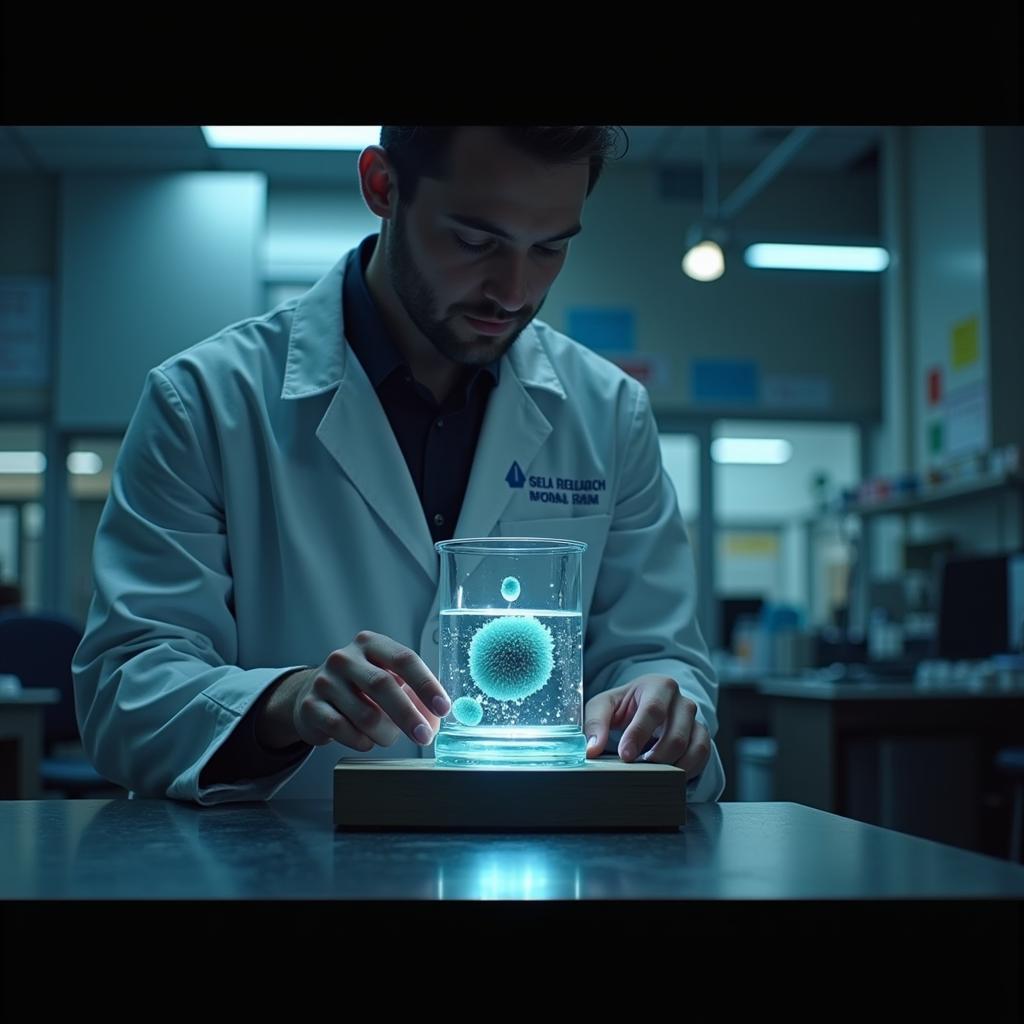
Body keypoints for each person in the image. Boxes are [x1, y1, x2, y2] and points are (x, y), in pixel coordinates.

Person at [73, 126, 725, 804]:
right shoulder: (206, 400)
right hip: (286, 868)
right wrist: (285, 703)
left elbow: (659, 652)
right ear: (382, 187)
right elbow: (126, 687)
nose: (513, 291)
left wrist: (662, 707)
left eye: (551, 247)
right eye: (476, 241)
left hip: (539, 857)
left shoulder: (609, 412)